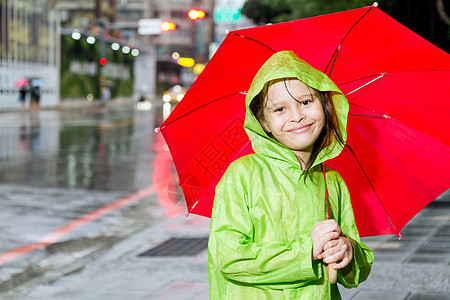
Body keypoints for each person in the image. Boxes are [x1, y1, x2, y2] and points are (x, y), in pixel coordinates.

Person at [208, 51, 374, 299]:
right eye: (279, 109)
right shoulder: (243, 174)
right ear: (263, 123)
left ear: (325, 105)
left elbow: (355, 271)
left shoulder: (332, 181)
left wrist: (348, 252)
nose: (297, 116)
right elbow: (229, 257)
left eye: (306, 102)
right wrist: (307, 251)